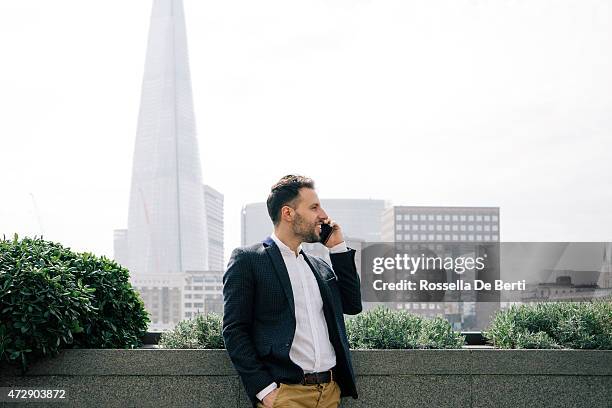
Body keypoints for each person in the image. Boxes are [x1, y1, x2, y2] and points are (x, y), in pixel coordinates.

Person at [223, 175, 362, 408]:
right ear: (288, 213)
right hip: (285, 396)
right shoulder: (249, 260)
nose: (324, 215)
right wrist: (265, 390)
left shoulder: (318, 266)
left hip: (329, 393)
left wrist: (338, 248)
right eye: (314, 207)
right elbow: (234, 330)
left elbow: (352, 305)